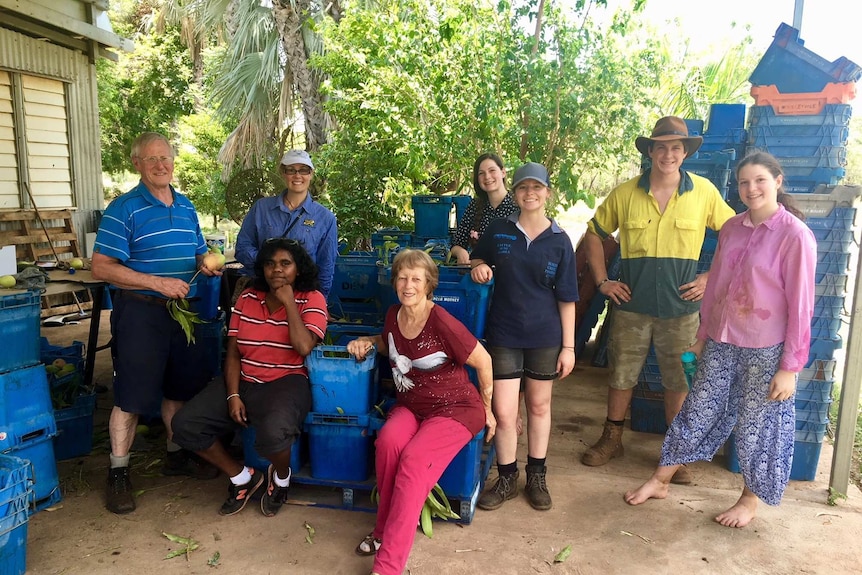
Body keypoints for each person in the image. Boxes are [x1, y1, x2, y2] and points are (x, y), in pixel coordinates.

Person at [624, 152, 817, 528]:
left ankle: (749, 500)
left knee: (755, 426)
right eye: (744, 182)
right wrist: (701, 337)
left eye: (759, 180)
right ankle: (660, 479)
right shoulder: (731, 229)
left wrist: (790, 367)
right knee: (696, 411)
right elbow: (718, 290)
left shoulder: (794, 235)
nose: (751, 189)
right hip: (723, 342)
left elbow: (802, 307)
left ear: (777, 181)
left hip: (767, 349)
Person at [580, 116, 736, 486]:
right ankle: (612, 438)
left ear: (685, 153)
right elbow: (593, 233)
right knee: (621, 376)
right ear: (650, 151)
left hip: (681, 311)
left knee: (677, 380)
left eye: (676, 147)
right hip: (632, 307)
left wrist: (709, 277)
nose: (668, 154)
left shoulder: (704, 193)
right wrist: (603, 281)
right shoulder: (625, 193)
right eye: (661, 147)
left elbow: (735, 236)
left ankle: (675, 452)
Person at [91, 132, 222, 515]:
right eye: (152, 160)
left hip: (182, 312)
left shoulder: (185, 206)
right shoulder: (124, 208)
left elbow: (198, 251)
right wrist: (156, 282)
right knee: (131, 395)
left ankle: (175, 453)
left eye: (166, 158)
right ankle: (118, 472)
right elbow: (102, 267)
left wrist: (205, 265)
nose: (161, 165)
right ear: (137, 164)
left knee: (178, 389)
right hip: (141, 311)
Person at [346, 249, 495, 575]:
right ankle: (383, 531)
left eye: (416, 279)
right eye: (402, 277)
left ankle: (387, 568)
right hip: (413, 406)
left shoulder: (441, 321)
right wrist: (369, 340)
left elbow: (484, 360)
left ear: (429, 285)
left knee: (413, 462)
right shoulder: (393, 314)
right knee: (387, 443)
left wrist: (488, 409)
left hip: (455, 409)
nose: (407, 284)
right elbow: (391, 344)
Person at [171, 239, 327, 517]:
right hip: (244, 378)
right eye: (270, 264)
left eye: (285, 264)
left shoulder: (311, 298)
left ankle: (280, 478)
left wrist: (289, 302)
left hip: (287, 381)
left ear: (298, 269)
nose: (276, 270)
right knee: (184, 424)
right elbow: (233, 353)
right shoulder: (248, 297)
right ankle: (241, 476)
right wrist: (232, 395)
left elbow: (304, 347)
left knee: (273, 435)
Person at [470, 162, 578, 512]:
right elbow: (477, 257)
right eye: (522, 188)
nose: (529, 193)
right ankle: (506, 478)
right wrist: (478, 266)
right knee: (503, 411)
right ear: (514, 193)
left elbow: (567, 298)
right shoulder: (500, 229)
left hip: (545, 336)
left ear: (547, 192)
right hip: (503, 332)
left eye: (536, 187)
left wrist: (569, 347)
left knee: (539, 406)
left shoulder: (561, 241)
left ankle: (536, 476)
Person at [234, 149, 338, 298]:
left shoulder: (325, 218)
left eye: (304, 170)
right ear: (283, 173)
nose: (297, 176)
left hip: (303, 297)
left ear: (311, 174)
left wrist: (320, 304)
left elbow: (326, 267)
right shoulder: (261, 208)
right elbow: (243, 247)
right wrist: (269, 264)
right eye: (291, 170)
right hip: (263, 293)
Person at [449, 153, 518, 265]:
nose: (487, 177)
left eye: (492, 171)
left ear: (503, 172)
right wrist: (460, 252)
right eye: (481, 173)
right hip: (478, 273)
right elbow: (456, 244)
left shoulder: (517, 206)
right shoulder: (474, 206)